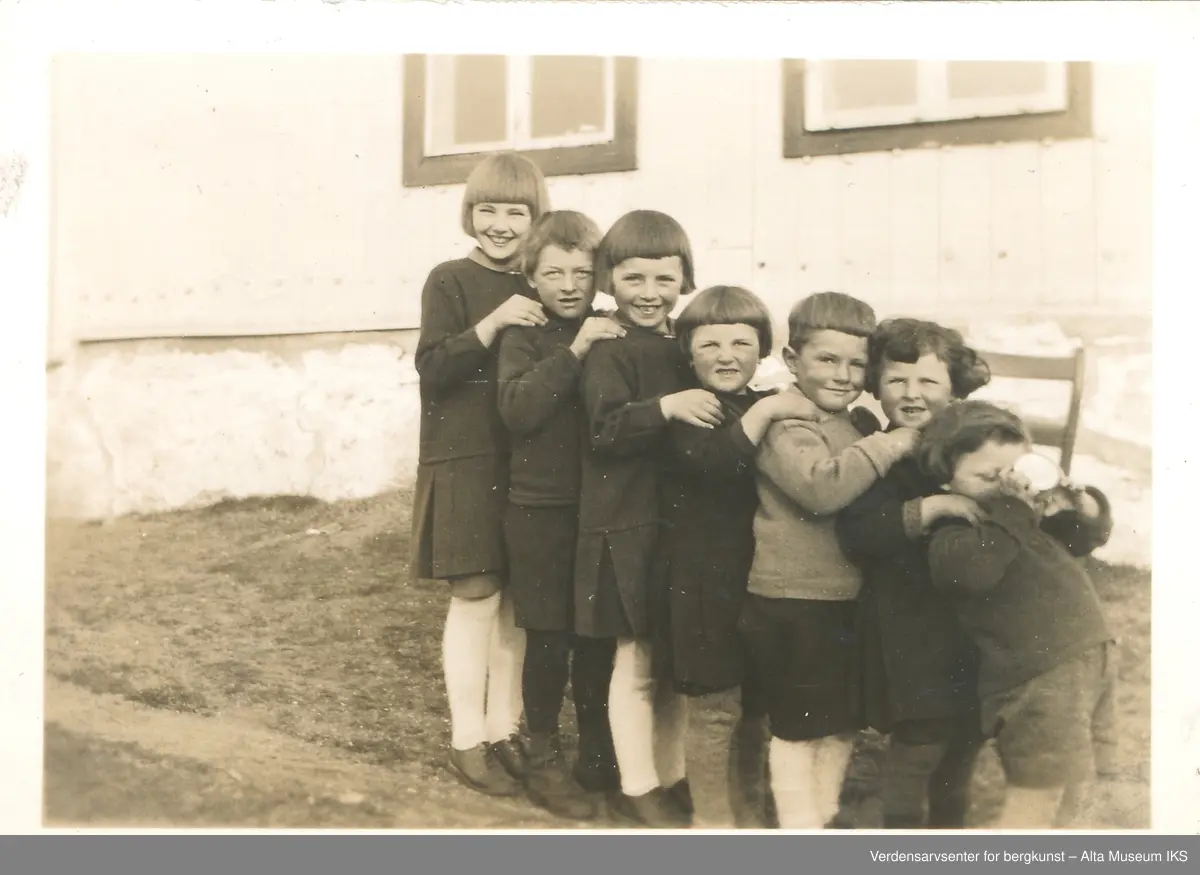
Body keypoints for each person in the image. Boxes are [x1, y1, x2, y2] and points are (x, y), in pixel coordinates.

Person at [737, 292, 919, 829]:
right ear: (792, 361)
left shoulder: (858, 423)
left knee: (841, 722)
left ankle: (826, 815)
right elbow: (822, 488)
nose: (843, 375)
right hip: (792, 600)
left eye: (857, 363)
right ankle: (798, 826)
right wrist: (896, 442)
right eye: (826, 359)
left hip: (844, 599)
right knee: (797, 726)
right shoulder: (786, 422)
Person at [652, 285, 820, 828]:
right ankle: (713, 822)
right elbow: (717, 465)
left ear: (764, 348)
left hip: (758, 580)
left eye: (741, 343)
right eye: (711, 344)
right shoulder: (688, 410)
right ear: (688, 351)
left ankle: (749, 810)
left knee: (757, 709)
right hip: (703, 586)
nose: (727, 356)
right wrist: (772, 406)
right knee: (715, 710)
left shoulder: (755, 404)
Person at [411, 153, 548, 796]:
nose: (499, 224)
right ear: (470, 213)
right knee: (476, 596)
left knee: (517, 602)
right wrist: (494, 323)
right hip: (466, 459)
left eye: (515, 212)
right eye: (487, 210)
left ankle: (504, 729)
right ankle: (467, 739)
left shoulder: (545, 283)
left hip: (524, 462)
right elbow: (433, 367)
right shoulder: (450, 280)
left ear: (535, 218)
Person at [574, 210, 716, 827]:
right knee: (635, 663)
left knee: (674, 660)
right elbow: (605, 431)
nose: (650, 294)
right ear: (610, 279)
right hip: (627, 525)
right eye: (634, 278)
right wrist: (667, 406)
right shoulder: (609, 349)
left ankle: (673, 772)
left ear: (685, 279)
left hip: (678, 528)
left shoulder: (688, 343)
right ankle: (636, 784)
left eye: (665, 278)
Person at [918, 400, 1117, 829]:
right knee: (1038, 798)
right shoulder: (954, 533)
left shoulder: (1024, 520)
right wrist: (1015, 509)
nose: (1009, 487)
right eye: (989, 477)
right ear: (945, 482)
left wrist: (1079, 502)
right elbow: (974, 574)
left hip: (1086, 658)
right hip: (1038, 679)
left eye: (1016, 473)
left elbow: (1084, 537)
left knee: (1084, 786)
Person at [835, 318, 992, 828]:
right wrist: (929, 507)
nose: (912, 393)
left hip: (969, 625)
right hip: (911, 630)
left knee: (964, 743)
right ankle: (903, 839)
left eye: (928, 381)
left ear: (953, 389)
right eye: (897, 380)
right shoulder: (877, 455)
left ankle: (950, 834)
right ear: (875, 385)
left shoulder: (976, 449)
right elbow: (859, 531)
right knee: (919, 746)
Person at [497, 210, 626, 819]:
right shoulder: (527, 332)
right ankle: (542, 749)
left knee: (595, 636)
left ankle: (597, 751)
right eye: (554, 272)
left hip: (597, 510)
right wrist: (575, 350)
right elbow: (518, 409)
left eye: (582, 271)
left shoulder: (612, 327)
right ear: (531, 275)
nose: (570, 284)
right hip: (539, 510)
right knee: (549, 634)